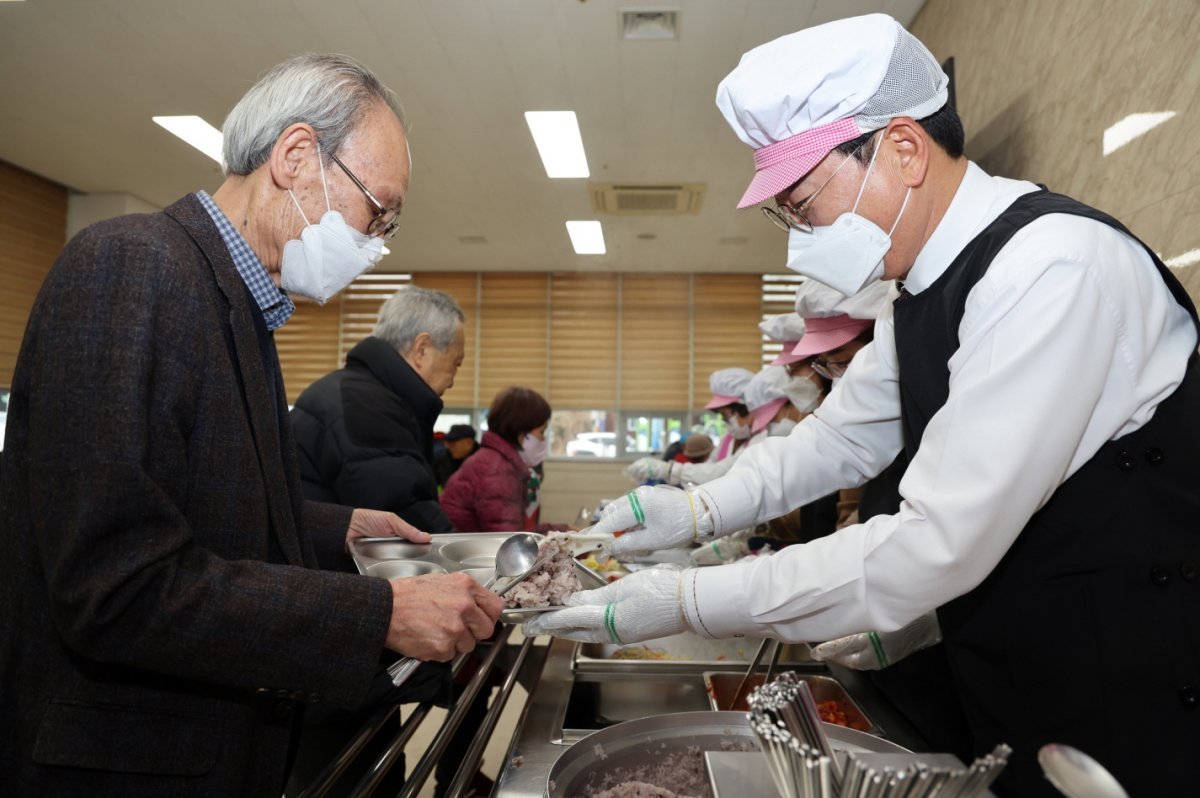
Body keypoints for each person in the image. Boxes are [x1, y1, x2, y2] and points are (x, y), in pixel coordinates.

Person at [525, 15, 1200, 797]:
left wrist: (687, 598)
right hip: (1024, 675)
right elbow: (837, 442)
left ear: (903, 149)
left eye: (802, 204)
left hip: (1128, 697)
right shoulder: (920, 289)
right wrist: (700, 510)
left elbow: (932, 543)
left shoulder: (1052, 270)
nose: (798, 238)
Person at [0, 54, 503, 798]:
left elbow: (183, 500)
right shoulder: (135, 268)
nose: (378, 243)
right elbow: (118, 584)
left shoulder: (236, 305)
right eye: (378, 210)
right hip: (118, 763)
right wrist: (377, 613)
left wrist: (336, 529)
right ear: (297, 157)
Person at [291, 286, 466, 533]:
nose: (453, 379)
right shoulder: (366, 405)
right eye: (456, 363)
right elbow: (407, 519)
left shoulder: (358, 390)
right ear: (422, 349)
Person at [441, 387, 570, 533]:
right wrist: (564, 537)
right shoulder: (497, 471)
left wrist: (563, 532)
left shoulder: (495, 460)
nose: (543, 439)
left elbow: (514, 529)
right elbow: (507, 541)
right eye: (541, 431)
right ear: (521, 431)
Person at [434, 424, 479, 489]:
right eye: (448, 443)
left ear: (469, 442)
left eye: (453, 443)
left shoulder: (484, 460)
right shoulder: (441, 458)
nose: (449, 447)